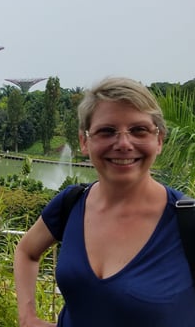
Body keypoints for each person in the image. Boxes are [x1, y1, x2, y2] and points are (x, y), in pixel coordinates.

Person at [13, 77, 195, 327]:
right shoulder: (71, 203)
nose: (123, 144)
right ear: (84, 141)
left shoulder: (187, 221)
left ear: (159, 140)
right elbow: (26, 251)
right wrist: (27, 317)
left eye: (139, 130)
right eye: (107, 131)